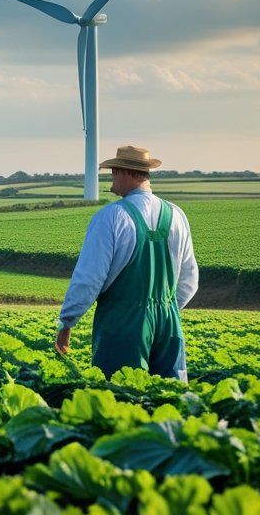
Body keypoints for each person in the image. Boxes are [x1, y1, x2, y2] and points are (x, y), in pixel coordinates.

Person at [53, 145, 199, 381]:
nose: (111, 180)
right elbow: (189, 280)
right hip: (169, 321)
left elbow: (89, 278)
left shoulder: (111, 216)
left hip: (123, 322)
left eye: (113, 172)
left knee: (121, 398)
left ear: (125, 172)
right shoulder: (177, 215)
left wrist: (67, 322)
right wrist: (164, 308)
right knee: (169, 397)